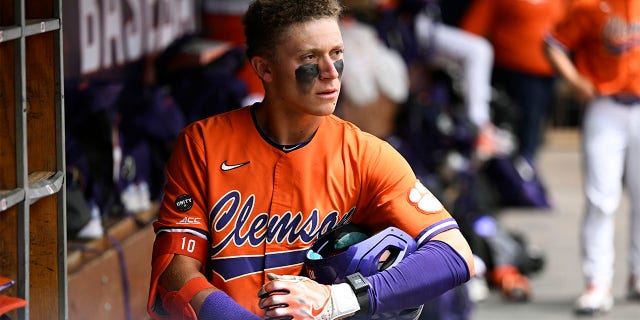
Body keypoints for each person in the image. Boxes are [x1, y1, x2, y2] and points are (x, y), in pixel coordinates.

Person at [146, 1, 475, 319]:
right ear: (264, 68)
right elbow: (175, 272)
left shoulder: (366, 155)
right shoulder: (203, 144)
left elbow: (455, 255)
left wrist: (340, 299)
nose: (332, 73)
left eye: (337, 54)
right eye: (310, 57)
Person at [544, 0, 640, 315]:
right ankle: (598, 282)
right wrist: (574, 82)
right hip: (605, 105)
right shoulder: (590, 5)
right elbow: (553, 44)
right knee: (601, 198)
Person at [460, 0, 568, 162]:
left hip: (547, 75)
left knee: (534, 133)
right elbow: (470, 32)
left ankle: (526, 170)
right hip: (511, 74)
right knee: (514, 136)